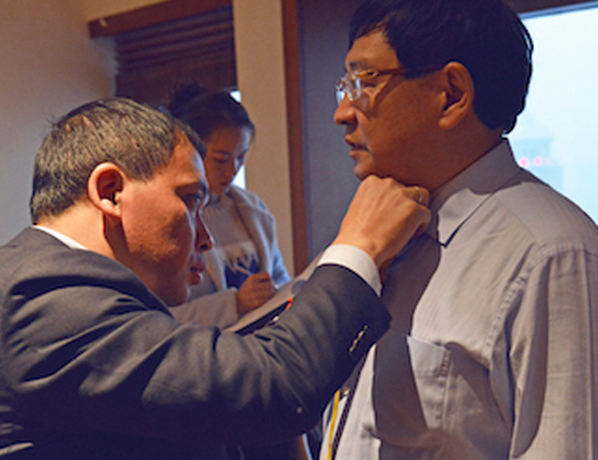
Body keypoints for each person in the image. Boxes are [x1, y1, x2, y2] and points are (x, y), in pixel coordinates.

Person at [0, 97, 431, 460]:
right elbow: (270, 388)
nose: (206, 239)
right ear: (111, 191)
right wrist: (359, 247)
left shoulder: (68, 290)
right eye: (190, 200)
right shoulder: (41, 298)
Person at [319, 0, 598, 459]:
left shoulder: (550, 253)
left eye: (364, 82)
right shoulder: (385, 232)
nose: (343, 112)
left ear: (451, 95)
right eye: (345, 87)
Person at [166, 83, 290, 329]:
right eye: (221, 159)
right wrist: (234, 304)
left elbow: (279, 279)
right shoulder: (174, 217)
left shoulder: (251, 209)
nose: (232, 170)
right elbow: (159, 319)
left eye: (241, 157)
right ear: (191, 152)